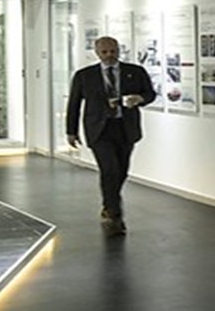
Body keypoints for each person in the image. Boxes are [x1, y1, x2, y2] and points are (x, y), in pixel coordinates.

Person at [67, 36, 157, 236]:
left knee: (121, 171)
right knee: (109, 170)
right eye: (105, 52)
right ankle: (114, 215)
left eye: (113, 51)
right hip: (99, 130)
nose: (109, 55)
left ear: (118, 50)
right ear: (97, 53)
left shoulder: (135, 72)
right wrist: (71, 131)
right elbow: (74, 104)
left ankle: (109, 205)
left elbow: (150, 94)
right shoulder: (84, 76)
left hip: (125, 128)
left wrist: (139, 98)